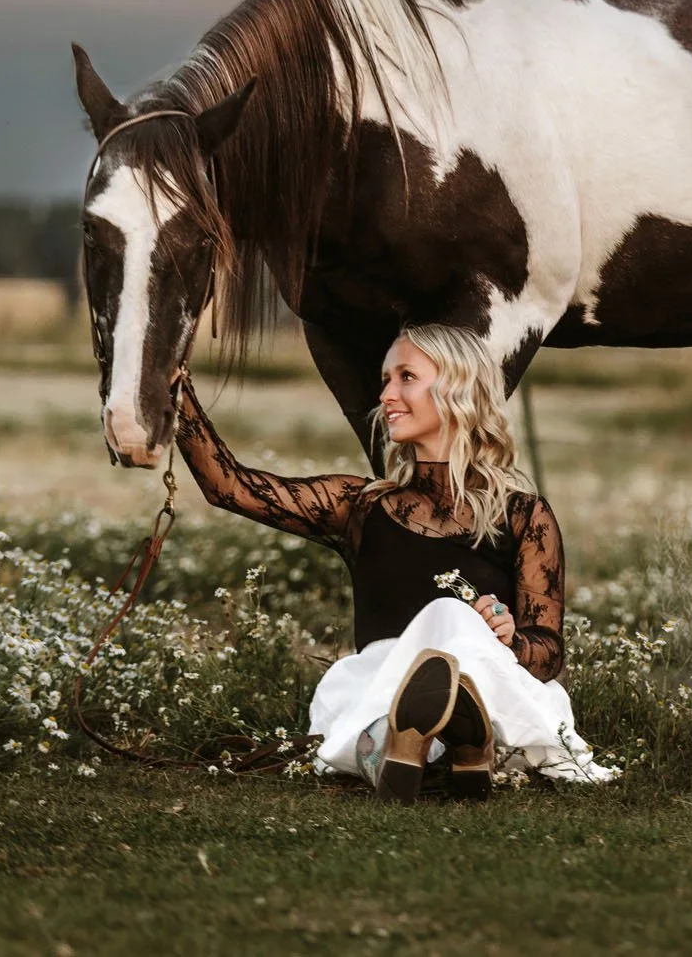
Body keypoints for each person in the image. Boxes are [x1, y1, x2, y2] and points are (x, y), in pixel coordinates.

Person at [173, 322, 611, 800]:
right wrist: (173, 389)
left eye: (406, 377)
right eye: (385, 379)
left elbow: (547, 655)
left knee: (452, 618)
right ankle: (437, 743)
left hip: (491, 686)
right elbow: (231, 487)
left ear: (458, 387)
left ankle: (435, 737)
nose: (387, 395)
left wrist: (510, 640)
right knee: (412, 650)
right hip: (379, 688)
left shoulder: (524, 515)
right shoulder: (361, 506)